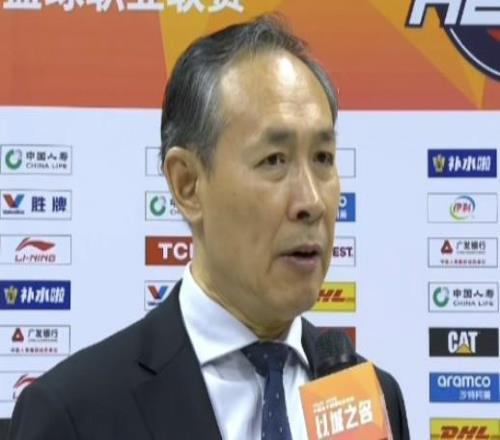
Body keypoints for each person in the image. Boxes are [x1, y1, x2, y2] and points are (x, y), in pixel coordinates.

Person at [8, 15, 410, 439]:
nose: (311, 201)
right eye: (274, 160)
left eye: (323, 158)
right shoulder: (75, 413)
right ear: (188, 184)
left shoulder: (374, 399)